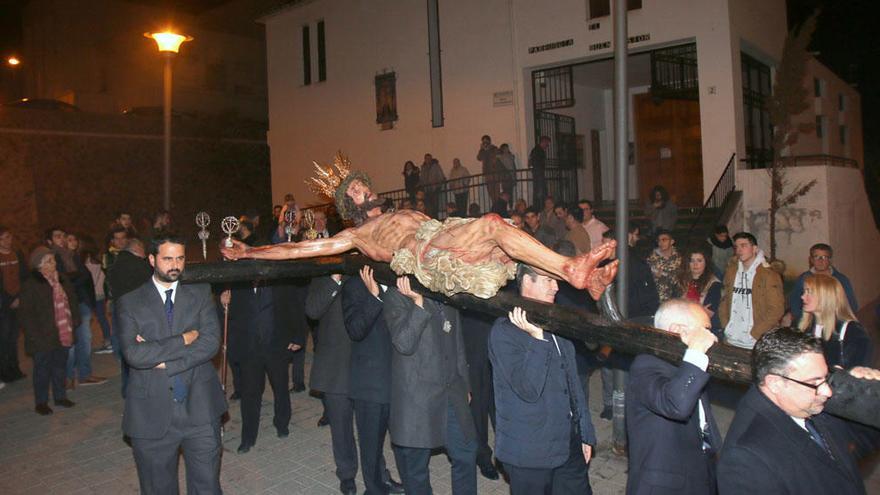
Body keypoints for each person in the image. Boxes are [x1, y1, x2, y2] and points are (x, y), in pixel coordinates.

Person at [222, 159, 619, 302]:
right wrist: (249, 252)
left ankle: (582, 280)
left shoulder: (398, 210)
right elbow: (297, 252)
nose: (366, 190)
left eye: (363, 184)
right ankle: (570, 269)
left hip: (445, 234)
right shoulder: (357, 236)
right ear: (349, 207)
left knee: (507, 243)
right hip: (431, 252)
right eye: (357, 191)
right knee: (495, 224)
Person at [117, 234, 227, 495]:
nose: (175, 265)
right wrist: (184, 339)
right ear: (152, 259)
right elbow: (134, 354)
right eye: (168, 258)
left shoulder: (200, 293)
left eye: (180, 258)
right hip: (151, 412)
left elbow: (211, 342)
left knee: (207, 487)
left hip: (200, 408)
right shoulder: (130, 302)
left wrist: (165, 361)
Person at [717, 327, 880, 494]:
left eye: (825, 378)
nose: (827, 392)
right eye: (815, 382)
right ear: (775, 383)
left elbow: (847, 453)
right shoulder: (746, 461)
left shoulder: (808, 403)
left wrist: (868, 398)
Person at [489, 264, 597, 494]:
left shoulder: (556, 322)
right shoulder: (504, 332)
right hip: (530, 453)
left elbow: (573, 382)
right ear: (527, 282)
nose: (556, 287)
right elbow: (528, 389)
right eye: (549, 280)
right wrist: (537, 339)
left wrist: (585, 433)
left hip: (568, 443)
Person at [383, 276, 477, 494]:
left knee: (466, 452)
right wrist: (418, 303)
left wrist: (466, 385)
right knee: (416, 469)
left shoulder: (444, 292)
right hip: (417, 399)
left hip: (451, 392)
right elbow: (404, 343)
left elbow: (458, 343)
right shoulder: (396, 295)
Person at [626, 299, 721, 495]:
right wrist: (696, 352)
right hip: (665, 485)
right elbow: (676, 405)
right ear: (677, 330)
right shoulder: (646, 365)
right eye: (705, 329)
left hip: (699, 472)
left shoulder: (686, 363)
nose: (711, 337)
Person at [341, 266, 405, 495]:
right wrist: (374, 296)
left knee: (389, 442)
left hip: (399, 380)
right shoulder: (354, 285)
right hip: (370, 383)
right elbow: (355, 330)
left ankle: (383, 480)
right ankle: (374, 489)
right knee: (370, 445)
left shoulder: (400, 282)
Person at [221, 276, 297, 454]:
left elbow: (293, 307)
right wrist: (223, 303)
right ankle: (248, 436)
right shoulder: (238, 286)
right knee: (250, 394)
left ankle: (282, 424)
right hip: (250, 350)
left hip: (276, 346)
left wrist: (297, 336)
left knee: (281, 388)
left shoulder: (279, 282)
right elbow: (230, 317)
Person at [19, 246, 78, 415]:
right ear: (39, 265)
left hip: (63, 332)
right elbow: (26, 314)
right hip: (42, 336)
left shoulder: (62, 280)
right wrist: (34, 336)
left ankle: (60, 396)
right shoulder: (32, 284)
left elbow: (72, 301)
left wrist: (74, 320)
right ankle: (41, 402)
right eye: (49, 261)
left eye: (53, 260)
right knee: (42, 370)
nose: (54, 264)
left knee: (60, 366)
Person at [719, 232, 784, 349]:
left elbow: (776, 309)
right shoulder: (731, 272)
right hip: (731, 338)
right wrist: (725, 325)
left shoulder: (768, 274)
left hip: (755, 342)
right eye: (736, 247)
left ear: (754, 248)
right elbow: (724, 300)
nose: (739, 250)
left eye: (743, 245)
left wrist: (756, 333)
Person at [107, 238, 152, 397]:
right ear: (138, 249)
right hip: (138, 314)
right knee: (141, 352)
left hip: (121, 311)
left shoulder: (116, 264)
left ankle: (127, 389)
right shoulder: (138, 265)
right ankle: (140, 390)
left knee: (127, 352)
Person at [798, 274, 872, 369]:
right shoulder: (803, 327)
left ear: (826, 297)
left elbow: (857, 373)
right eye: (804, 291)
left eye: (809, 292)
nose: (803, 297)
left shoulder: (853, 331)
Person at [63, 232, 106, 388]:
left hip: (83, 303)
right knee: (72, 343)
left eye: (74, 238)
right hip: (74, 304)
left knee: (85, 340)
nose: (73, 242)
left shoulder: (75, 258)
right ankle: (69, 377)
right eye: (69, 239)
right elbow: (68, 282)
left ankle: (84, 374)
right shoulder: (63, 259)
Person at [788, 243, 858, 324]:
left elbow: (851, 305)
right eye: (816, 257)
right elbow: (795, 303)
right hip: (810, 323)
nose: (820, 261)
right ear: (811, 259)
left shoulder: (841, 280)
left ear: (830, 260)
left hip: (835, 322)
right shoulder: (803, 279)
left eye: (824, 257)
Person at [0, 225, 27, 382]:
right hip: (3, 304)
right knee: (3, 337)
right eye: (2, 239)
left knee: (13, 337)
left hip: (17, 300)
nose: (6, 241)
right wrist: (8, 300)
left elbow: (24, 277)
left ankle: (14, 368)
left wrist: (20, 297)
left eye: (8, 237)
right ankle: (4, 371)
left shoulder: (17, 254)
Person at [679, 247, 723, 335]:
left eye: (699, 261)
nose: (695, 264)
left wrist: (683, 307)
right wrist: (699, 308)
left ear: (706, 263)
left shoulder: (714, 284)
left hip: (704, 330)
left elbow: (708, 313)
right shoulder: (681, 281)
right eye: (692, 261)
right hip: (681, 327)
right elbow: (672, 305)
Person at [646, 229, 683, 302]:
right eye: (659, 240)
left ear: (672, 241)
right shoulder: (651, 259)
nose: (661, 243)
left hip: (676, 299)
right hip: (657, 299)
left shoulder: (680, 258)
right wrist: (653, 276)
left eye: (664, 240)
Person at [477, 135, 501, 202]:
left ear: (489, 141)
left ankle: (497, 206)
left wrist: (489, 149)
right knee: (490, 192)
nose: (485, 143)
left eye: (486, 141)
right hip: (487, 173)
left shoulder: (494, 148)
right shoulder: (483, 151)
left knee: (496, 192)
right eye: (483, 141)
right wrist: (482, 149)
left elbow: (498, 154)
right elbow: (479, 158)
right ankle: (495, 205)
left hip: (494, 173)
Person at [529, 136, 550, 206]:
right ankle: (539, 206)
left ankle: (539, 205)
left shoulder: (536, 150)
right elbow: (535, 162)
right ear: (543, 142)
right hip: (538, 173)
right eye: (546, 144)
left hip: (538, 172)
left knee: (539, 190)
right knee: (540, 191)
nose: (547, 146)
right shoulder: (538, 150)